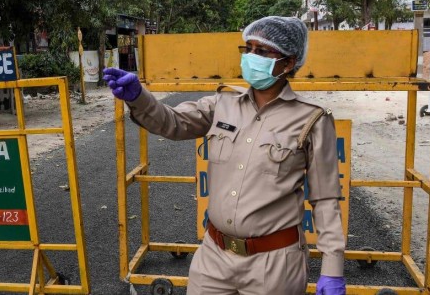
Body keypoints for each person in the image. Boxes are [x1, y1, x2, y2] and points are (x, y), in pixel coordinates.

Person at [103, 16, 346, 295]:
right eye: (249, 48)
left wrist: (332, 269)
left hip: (274, 265)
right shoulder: (222, 104)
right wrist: (139, 98)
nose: (251, 57)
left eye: (263, 51)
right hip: (214, 257)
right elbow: (171, 122)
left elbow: (325, 199)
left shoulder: (312, 119)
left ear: (289, 63)